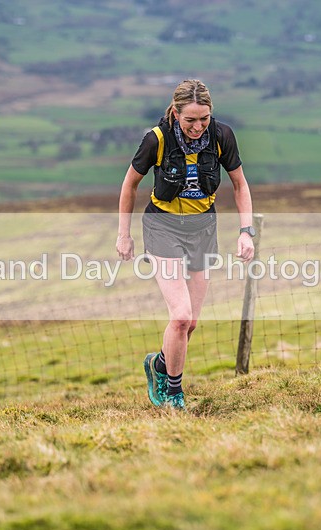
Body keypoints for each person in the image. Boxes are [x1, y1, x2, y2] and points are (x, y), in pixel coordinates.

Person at [116, 79, 255, 410]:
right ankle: (174, 395)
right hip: (162, 227)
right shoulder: (157, 139)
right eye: (190, 119)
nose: (197, 126)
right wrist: (124, 233)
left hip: (202, 229)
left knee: (190, 323)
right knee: (179, 316)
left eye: (203, 119)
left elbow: (240, 184)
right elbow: (129, 185)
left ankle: (160, 364)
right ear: (176, 113)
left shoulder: (222, 136)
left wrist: (246, 230)